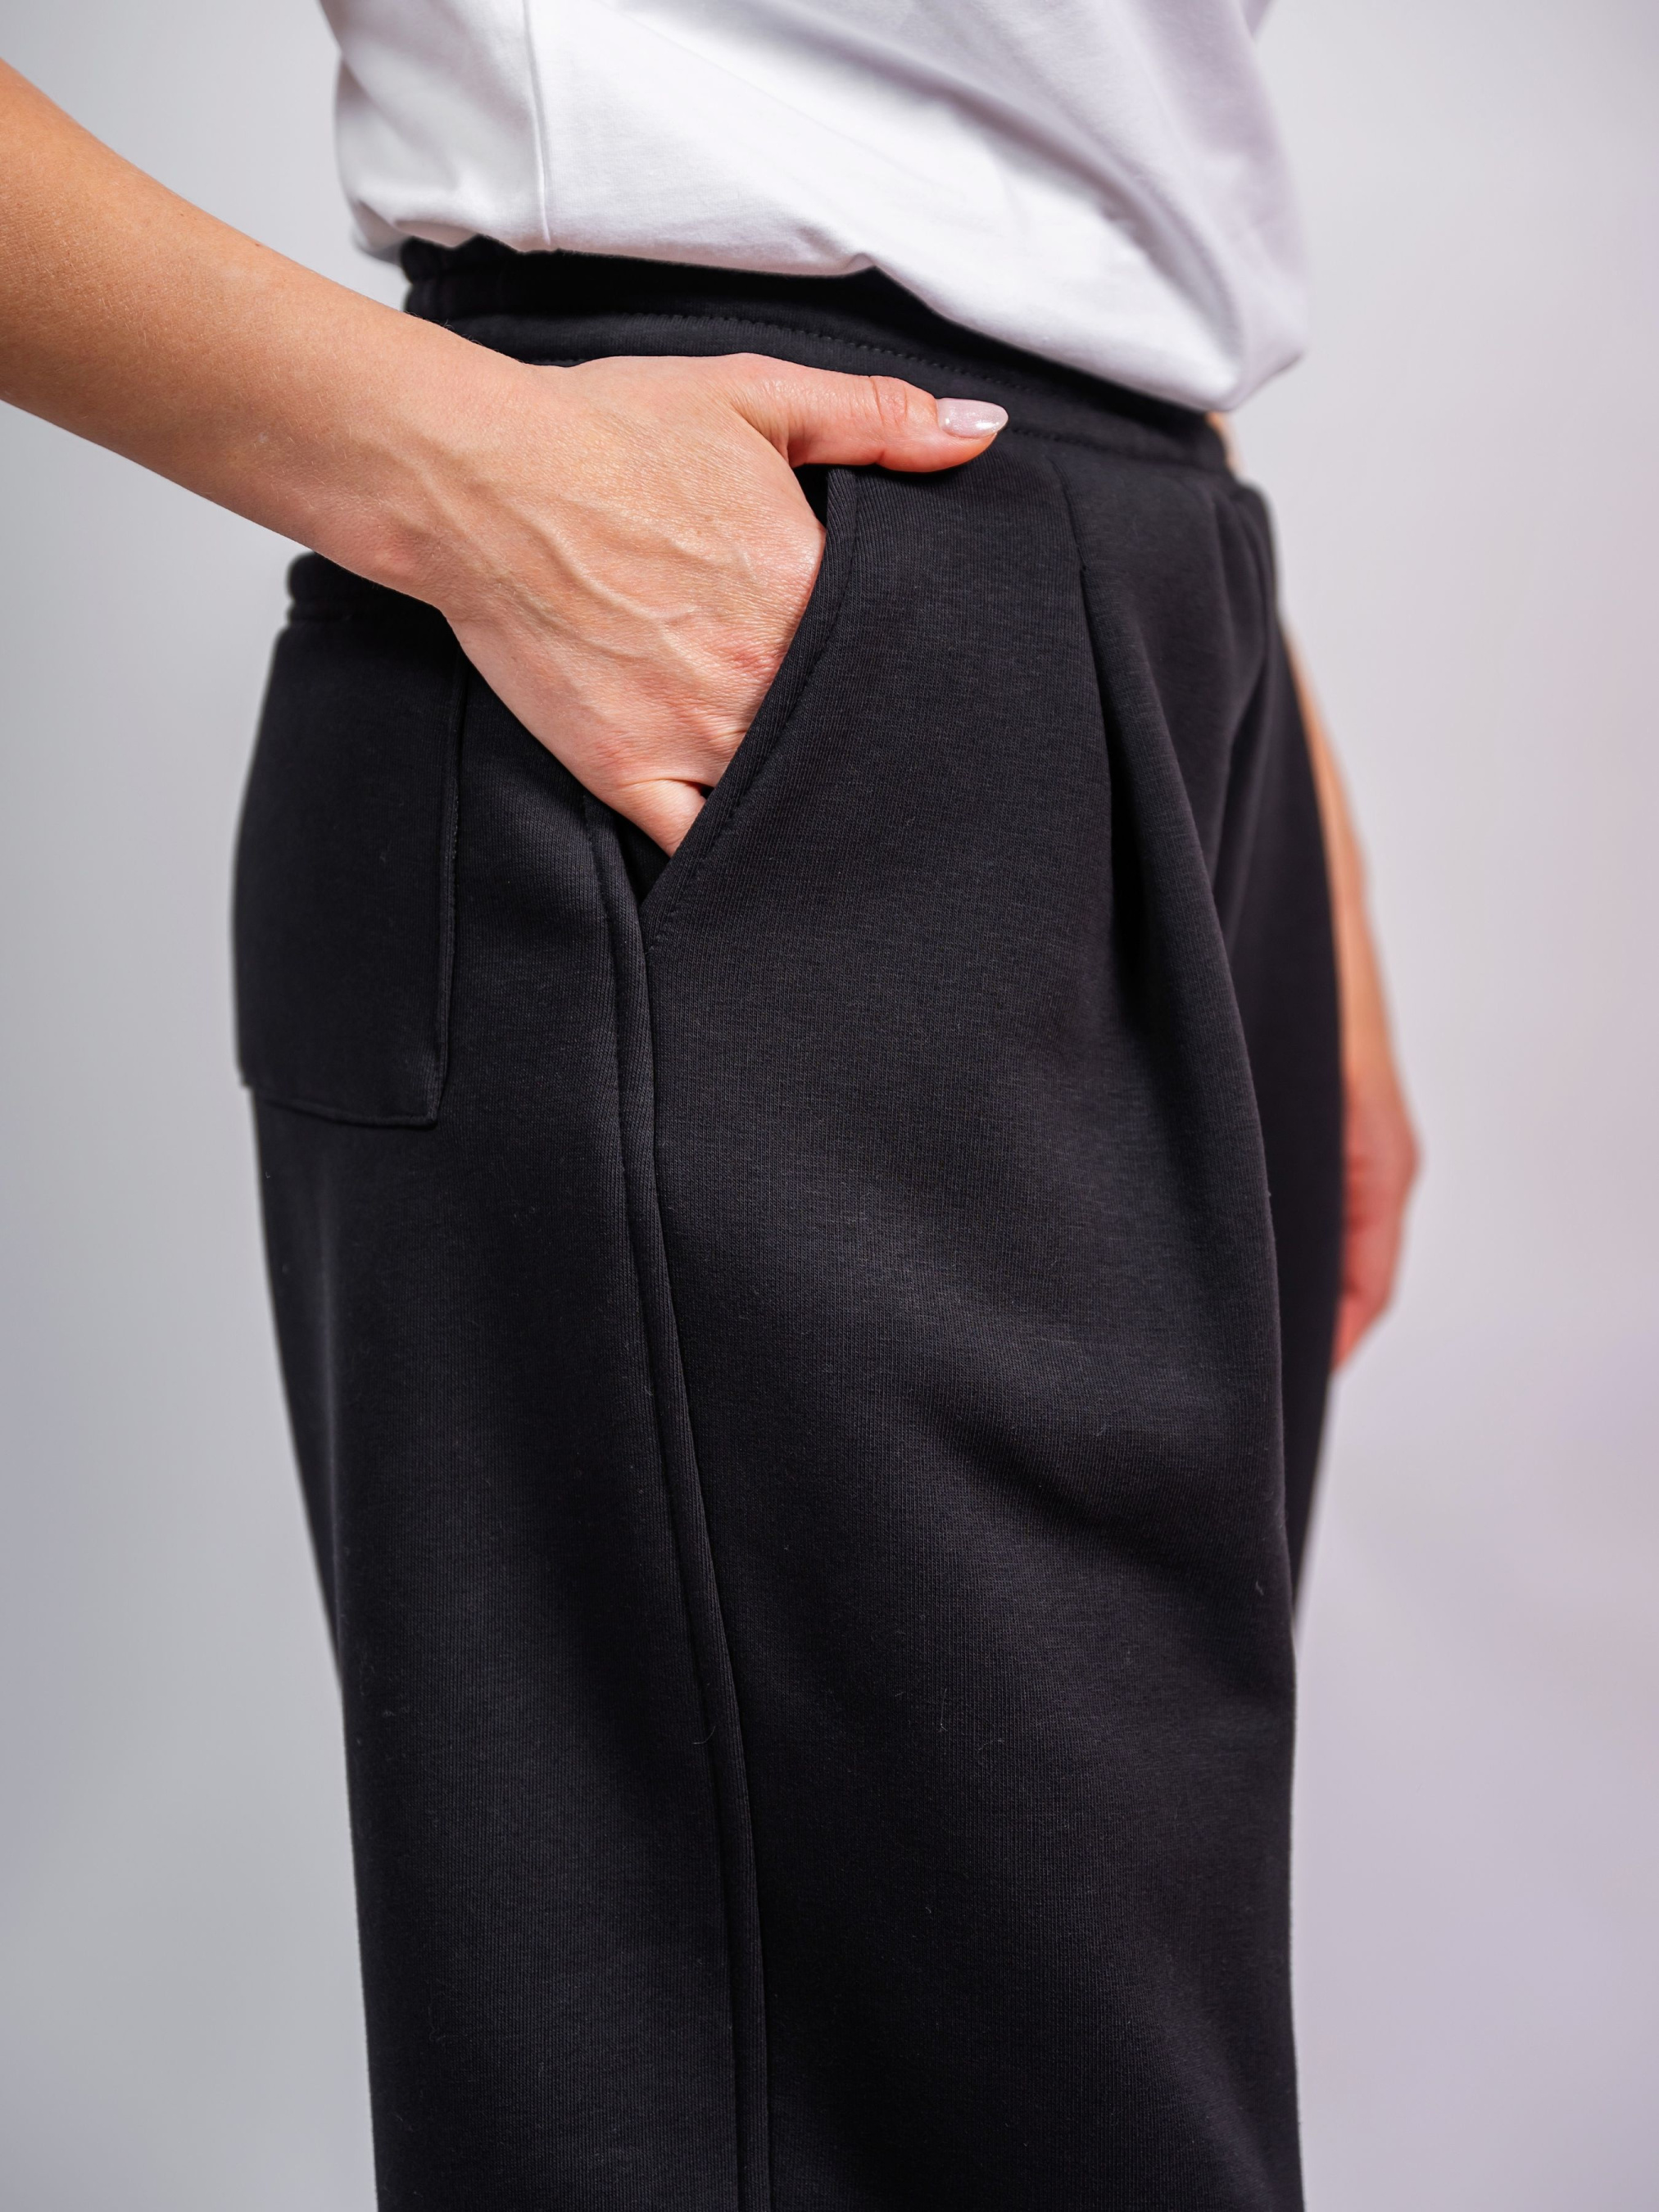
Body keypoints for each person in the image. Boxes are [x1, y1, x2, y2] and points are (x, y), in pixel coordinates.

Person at [0, 2, 1416, 2203]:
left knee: (1062, 2085)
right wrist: (451, 466)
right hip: (740, 626)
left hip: (1132, 613)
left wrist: (1251, 760)